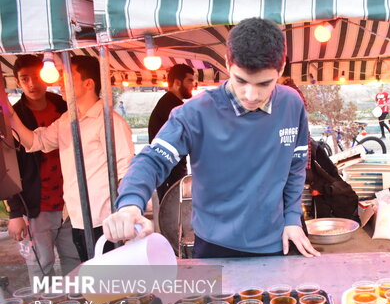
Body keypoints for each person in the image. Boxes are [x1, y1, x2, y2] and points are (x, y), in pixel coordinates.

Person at [102, 18, 320, 259]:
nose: (251, 95)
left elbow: (296, 166)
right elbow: (152, 159)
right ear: (228, 63)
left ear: (280, 69)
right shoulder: (195, 113)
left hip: (279, 240)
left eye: (264, 84)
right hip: (214, 247)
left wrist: (292, 218)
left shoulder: (291, 103)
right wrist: (130, 204)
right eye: (241, 81)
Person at [6, 56, 135, 261]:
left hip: (104, 219)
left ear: (88, 83)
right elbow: (34, 142)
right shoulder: (67, 119)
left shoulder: (109, 122)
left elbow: (126, 172)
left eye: (67, 77)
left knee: (111, 284)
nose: (60, 83)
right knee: (91, 278)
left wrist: (126, 214)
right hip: (77, 218)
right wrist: (8, 111)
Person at [6, 55, 81, 280]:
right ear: (18, 82)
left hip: (70, 200)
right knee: (42, 266)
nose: (32, 84)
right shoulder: (15, 117)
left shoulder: (63, 106)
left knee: (75, 259)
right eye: (24, 79)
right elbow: (9, 166)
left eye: (36, 77)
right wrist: (16, 213)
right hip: (36, 204)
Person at [148, 64, 194, 202]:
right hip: (169, 173)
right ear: (177, 82)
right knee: (173, 216)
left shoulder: (171, 104)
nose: (193, 84)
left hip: (171, 172)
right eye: (190, 80)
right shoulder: (172, 108)